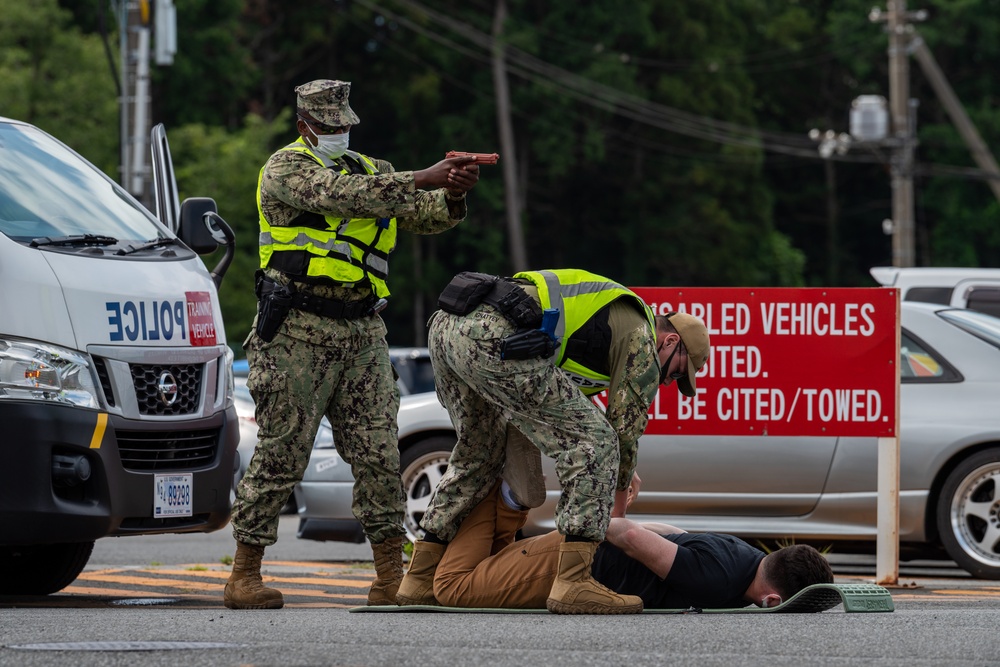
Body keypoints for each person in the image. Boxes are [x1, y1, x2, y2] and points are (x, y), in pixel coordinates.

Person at [225, 79, 480, 610]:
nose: (339, 134)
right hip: (296, 329)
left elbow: (422, 213)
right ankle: (244, 573)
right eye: (329, 127)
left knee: (379, 455)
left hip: (362, 331)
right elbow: (341, 197)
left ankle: (391, 576)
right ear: (304, 127)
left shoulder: (376, 170)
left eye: (345, 126)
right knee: (282, 453)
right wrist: (422, 176)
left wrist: (452, 189)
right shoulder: (285, 169)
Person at [396, 268, 711, 614]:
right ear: (669, 342)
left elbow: (573, 401)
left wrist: (622, 466)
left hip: (447, 330)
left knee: (478, 453)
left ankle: (419, 578)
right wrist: (616, 522)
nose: (668, 382)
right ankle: (574, 582)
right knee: (597, 441)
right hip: (491, 336)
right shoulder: (643, 336)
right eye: (678, 371)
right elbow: (622, 432)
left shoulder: (611, 322)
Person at [427, 480, 835, 611]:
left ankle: (508, 499)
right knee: (453, 588)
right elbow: (633, 537)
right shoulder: (720, 582)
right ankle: (502, 494)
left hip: (571, 556)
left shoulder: (743, 555)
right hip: (568, 564)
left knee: (489, 567)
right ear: (772, 599)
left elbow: (670, 532)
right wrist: (586, 521)